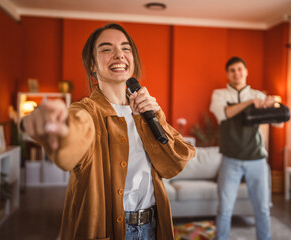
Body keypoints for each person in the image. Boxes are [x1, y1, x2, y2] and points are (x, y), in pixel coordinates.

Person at [20, 23, 196, 240]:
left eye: (125, 48)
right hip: (110, 231)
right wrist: (57, 127)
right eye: (106, 49)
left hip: (153, 227)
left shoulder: (146, 113)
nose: (119, 55)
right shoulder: (86, 111)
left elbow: (176, 162)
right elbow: (73, 138)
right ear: (92, 65)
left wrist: (156, 114)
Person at [210, 56, 277, 240]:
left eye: (240, 69)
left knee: (262, 209)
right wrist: (250, 103)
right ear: (227, 74)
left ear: (246, 71)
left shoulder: (259, 95)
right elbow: (224, 113)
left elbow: (278, 124)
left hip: (257, 159)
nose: (236, 73)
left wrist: (271, 106)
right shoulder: (219, 95)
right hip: (230, 160)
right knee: (224, 209)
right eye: (232, 70)